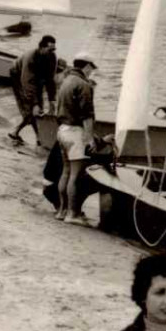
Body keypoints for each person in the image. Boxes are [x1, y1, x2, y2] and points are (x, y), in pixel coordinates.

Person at [55, 57, 99, 224]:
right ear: (86, 66)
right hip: (75, 132)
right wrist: (90, 139)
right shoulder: (84, 85)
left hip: (62, 130)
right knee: (76, 175)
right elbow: (87, 115)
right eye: (91, 68)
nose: (91, 72)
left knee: (65, 172)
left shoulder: (66, 81)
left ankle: (62, 211)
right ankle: (73, 214)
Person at [7, 35, 59, 145]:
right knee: (30, 108)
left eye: (53, 49)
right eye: (49, 49)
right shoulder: (31, 57)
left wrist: (52, 101)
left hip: (37, 78)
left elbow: (50, 80)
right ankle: (21, 133)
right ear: (41, 47)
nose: (52, 52)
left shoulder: (52, 57)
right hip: (18, 76)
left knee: (39, 110)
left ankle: (38, 137)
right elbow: (27, 81)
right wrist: (34, 103)